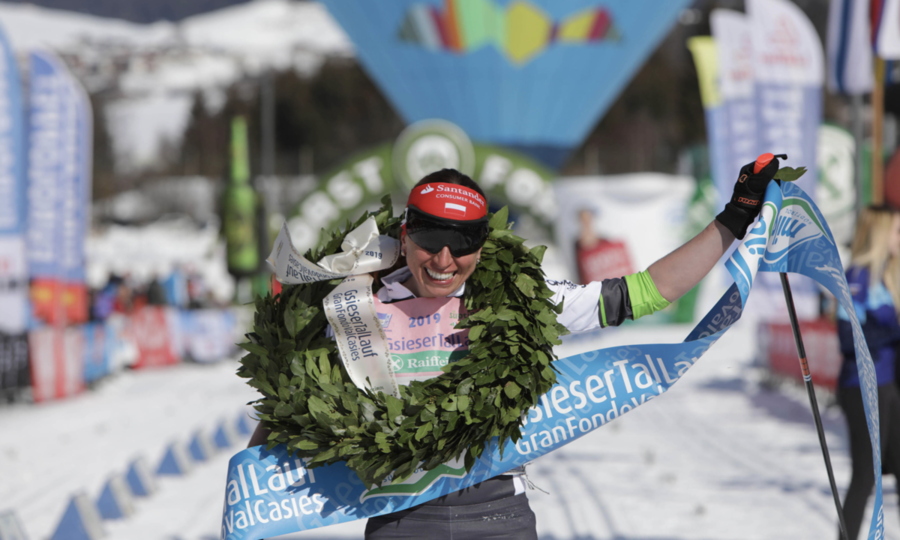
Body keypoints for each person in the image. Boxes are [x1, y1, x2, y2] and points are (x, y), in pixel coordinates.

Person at [249, 156, 780, 539]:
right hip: (401, 518)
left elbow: (645, 292)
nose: (443, 261)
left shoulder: (516, 301)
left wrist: (734, 219)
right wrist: (248, 492)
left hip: (497, 516)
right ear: (404, 234)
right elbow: (287, 397)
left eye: (463, 246)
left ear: (483, 244)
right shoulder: (351, 305)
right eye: (431, 240)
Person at [836, 206, 900, 540]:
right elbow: (848, 338)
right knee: (865, 476)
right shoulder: (856, 276)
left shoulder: (891, 274)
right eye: (897, 232)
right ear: (880, 235)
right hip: (861, 387)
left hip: (889, 386)